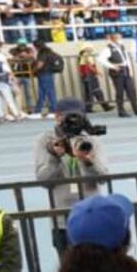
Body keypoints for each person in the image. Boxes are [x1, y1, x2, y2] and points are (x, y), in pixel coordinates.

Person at [34, 98, 109, 256]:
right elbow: (43, 180)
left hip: (92, 216)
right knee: (69, 269)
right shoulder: (45, 141)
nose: (73, 121)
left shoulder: (91, 140)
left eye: (77, 116)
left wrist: (88, 162)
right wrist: (56, 157)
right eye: (68, 116)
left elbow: (103, 178)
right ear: (57, 116)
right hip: (63, 221)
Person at [97, 31, 137, 117]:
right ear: (113, 39)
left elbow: (127, 60)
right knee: (120, 92)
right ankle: (121, 111)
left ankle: (136, 109)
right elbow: (101, 59)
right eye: (118, 37)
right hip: (117, 72)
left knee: (131, 90)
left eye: (120, 37)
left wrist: (130, 70)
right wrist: (112, 66)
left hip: (125, 70)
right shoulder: (108, 48)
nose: (120, 39)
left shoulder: (122, 47)